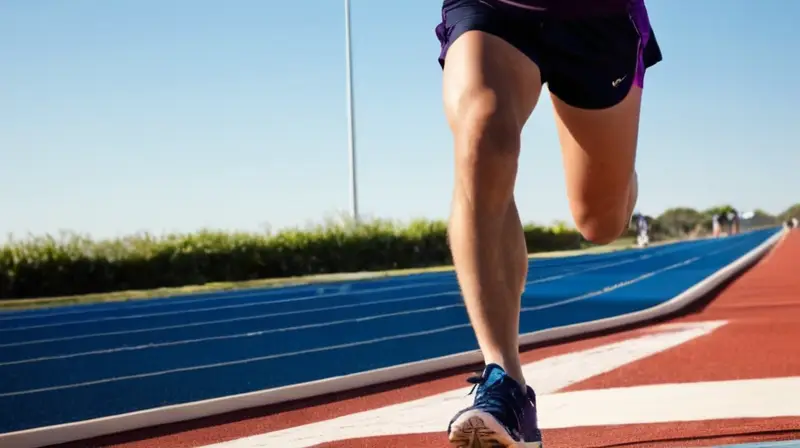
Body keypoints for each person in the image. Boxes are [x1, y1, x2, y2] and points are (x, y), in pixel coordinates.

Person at [434, 0, 662, 446]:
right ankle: (506, 386)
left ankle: (621, 176)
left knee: (601, 220)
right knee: (482, 135)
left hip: (598, 17)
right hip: (493, 8)